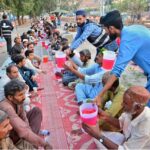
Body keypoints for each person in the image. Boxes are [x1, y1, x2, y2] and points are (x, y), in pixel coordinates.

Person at [94, 10, 150, 106]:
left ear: (111, 28)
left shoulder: (127, 40)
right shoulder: (133, 29)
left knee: (145, 109)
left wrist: (99, 95)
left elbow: (117, 71)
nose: (106, 33)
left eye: (105, 29)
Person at [83, 86, 150, 149]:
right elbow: (121, 124)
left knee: (98, 136)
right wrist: (105, 116)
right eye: (123, 101)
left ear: (137, 107)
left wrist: (98, 136)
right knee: (98, 135)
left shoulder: (144, 128)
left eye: (125, 103)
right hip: (127, 140)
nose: (122, 105)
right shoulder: (132, 111)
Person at [0, 79, 52, 149]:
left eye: (23, 93)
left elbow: (24, 119)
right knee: (24, 132)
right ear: (10, 97)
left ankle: (32, 139)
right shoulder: (6, 107)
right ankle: (32, 140)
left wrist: (29, 132)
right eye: (20, 95)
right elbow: (22, 129)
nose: (24, 97)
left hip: (19, 128)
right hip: (11, 137)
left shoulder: (18, 102)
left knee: (36, 111)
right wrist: (44, 144)